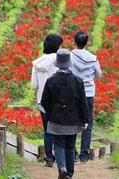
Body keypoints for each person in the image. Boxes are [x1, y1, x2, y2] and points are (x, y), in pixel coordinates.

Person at [41, 49, 89, 179]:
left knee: (58, 145)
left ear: (57, 63)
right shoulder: (77, 81)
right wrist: (85, 119)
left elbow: (44, 102)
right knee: (70, 146)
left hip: (56, 119)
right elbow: (83, 103)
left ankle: (62, 168)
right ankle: (70, 174)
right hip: (73, 120)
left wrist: (49, 115)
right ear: (69, 63)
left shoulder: (51, 80)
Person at [30, 33, 63, 167]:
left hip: (42, 101)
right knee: (60, 128)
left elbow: (34, 85)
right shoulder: (60, 60)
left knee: (47, 129)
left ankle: (49, 158)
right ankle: (62, 156)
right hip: (58, 100)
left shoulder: (37, 63)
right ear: (58, 46)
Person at [70, 30, 102, 163]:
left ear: (74, 41)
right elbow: (98, 75)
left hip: (73, 92)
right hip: (88, 93)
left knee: (71, 122)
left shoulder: (70, 56)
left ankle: (73, 153)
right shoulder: (93, 58)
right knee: (87, 124)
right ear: (87, 42)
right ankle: (84, 155)